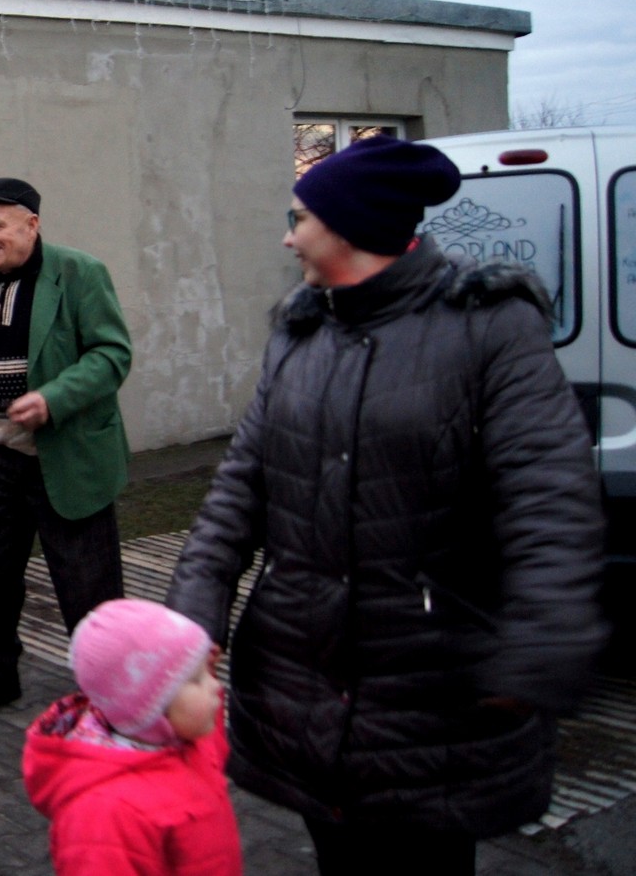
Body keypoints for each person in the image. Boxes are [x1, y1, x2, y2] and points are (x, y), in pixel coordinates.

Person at [166, 135, 608, 876]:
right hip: (303, 684)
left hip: (432, 695)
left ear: (350, 227)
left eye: (300, 218)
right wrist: (189, 617)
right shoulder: (300, 332)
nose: (288, 237)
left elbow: (549, 496)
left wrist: (540, 647)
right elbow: (239, 487)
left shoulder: (490, 325)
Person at [0, 177, 133, 720]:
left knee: (88, 590)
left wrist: (52, 399)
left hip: (65, 454)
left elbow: (111, 354)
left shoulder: (80, 273)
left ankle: (108, 699)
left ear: (31, 224)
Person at [23, 598, 241, 876]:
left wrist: (200, 668)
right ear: (150, 708)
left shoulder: (183, 738)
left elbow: (213, 747)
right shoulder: (104, 815)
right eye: (197, 679)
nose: (216, 686)